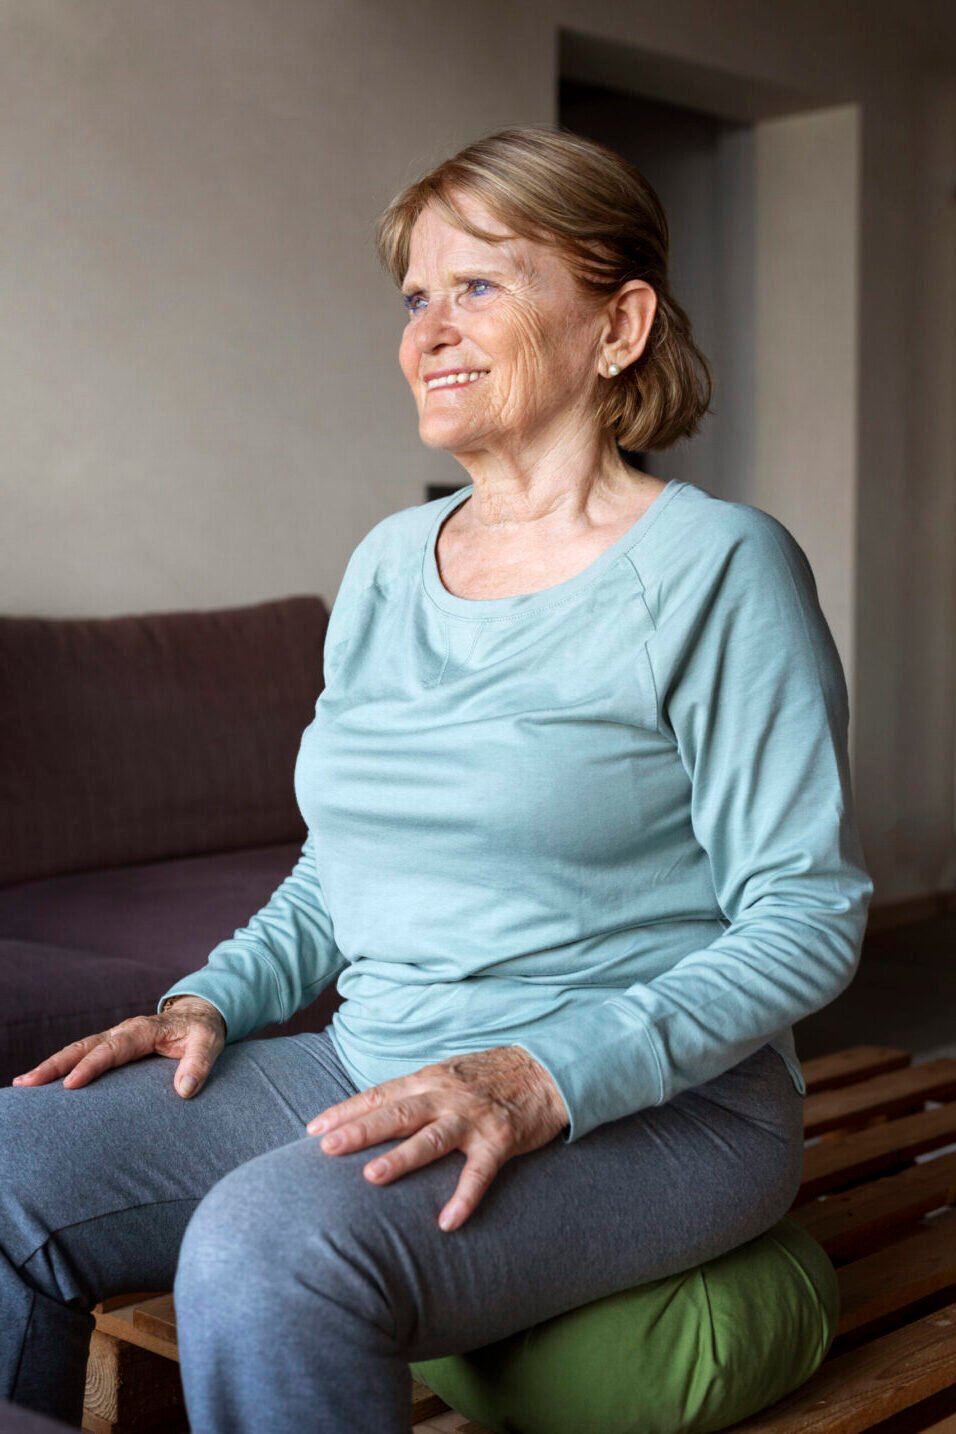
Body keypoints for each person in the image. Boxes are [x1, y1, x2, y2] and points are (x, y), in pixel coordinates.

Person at [1, 125, 873, 1432]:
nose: (428, 330)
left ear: (619, 324)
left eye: (480, 285)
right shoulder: (387, 564)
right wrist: (210, 998)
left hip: (652, 1110)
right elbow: (343, 863)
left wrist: (535, 1076)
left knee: (269, 1245)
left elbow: (805, 916)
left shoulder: (718, 572)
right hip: (375, 1058)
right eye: (416, 294)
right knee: (11, 1164)